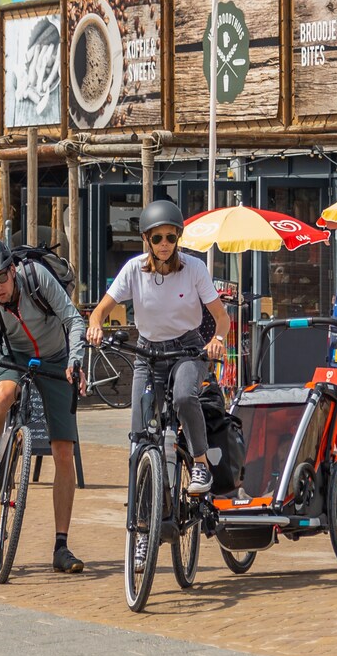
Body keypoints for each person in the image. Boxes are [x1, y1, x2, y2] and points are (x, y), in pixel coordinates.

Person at [86, 199, 231, 500]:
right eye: (157, 238)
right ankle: (142, 494)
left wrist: (217, 340)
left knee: (183, 396)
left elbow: (222, 318)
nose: (164, 244)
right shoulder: (133, 270)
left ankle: (200, 463)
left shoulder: (194, 269)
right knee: (140, 429)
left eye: (170, 237)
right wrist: (96, 325)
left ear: (178, 238)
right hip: (147, 353)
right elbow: (99, 311)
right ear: (146, 240)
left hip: (187, 350)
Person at [0, 238, 88, 575]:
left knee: (63, 451)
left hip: (57, 359)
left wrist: (75, 361)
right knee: (1, 396)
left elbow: (75, 320)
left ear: (12, 270)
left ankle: (61, 545)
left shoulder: (38, 279)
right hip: (14, 358)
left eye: (1, 277)